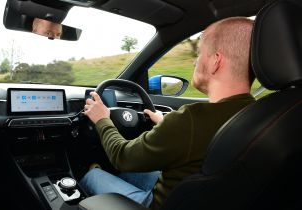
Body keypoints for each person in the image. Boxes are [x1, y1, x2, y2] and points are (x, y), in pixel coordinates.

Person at [80, 17, 256, 210]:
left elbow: (122, 156)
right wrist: (166, 123)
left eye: (199, 54)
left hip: (162, 204)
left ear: (216, 61)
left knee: (94, 175)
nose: (194, 62)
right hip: (203, 197)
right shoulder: (260, 112)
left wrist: (102, 119)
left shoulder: (190, 120)